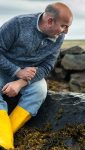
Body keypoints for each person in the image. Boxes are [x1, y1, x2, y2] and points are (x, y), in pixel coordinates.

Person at [0, 2, 73, 149]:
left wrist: (21, 82)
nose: (65, 32)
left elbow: (47, 66)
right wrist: (17, 71)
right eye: (64, 26)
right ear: (50, 21)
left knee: (40, 90)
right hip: (2, 70)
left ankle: (5, 137)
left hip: (28, 77)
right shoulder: (18, 24)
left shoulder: (58, 36)